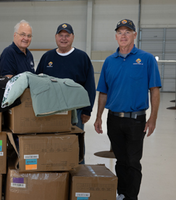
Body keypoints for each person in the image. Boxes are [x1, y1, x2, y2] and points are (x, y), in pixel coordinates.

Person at [94, 19, 161, 200]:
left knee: (132, 162)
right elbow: (103, 93)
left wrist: (153, 118)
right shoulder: (109, 61)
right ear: (116, 36)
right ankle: (122, 194)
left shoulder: (146, 59)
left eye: (127, 32)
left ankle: (132, 197)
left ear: (134, 35)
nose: (123, 36)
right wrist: (99, 116)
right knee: (121, 161)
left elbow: (155, 89)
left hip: (135, 120)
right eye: (120, 32)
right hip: (113, 119)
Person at [36, 23, 95, 164]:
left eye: (67, 35)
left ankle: (77, 170)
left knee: (75, 143)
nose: (64, 38)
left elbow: (90, 86)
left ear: (72, 37)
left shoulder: (82, 57)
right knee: (53, 144)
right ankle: (55, 172)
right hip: (51, 112)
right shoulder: (47, 57)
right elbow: (37, 82)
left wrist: (87, 110)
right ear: (56, 37)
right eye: (61, 35)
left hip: (76, 112)